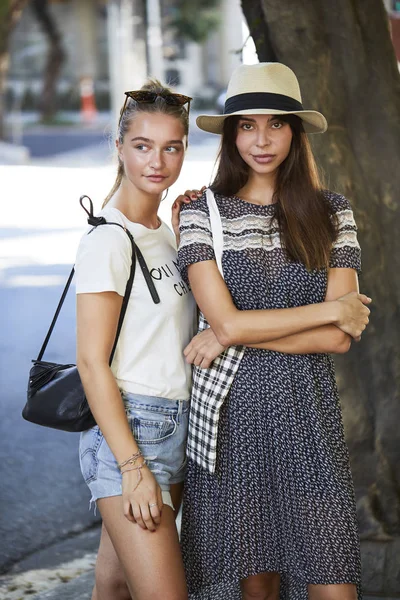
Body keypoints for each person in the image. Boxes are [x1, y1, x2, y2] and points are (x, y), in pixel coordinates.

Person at [177, 62, 370, 600]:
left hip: (309, 420)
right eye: (246, 125)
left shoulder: (333, 212)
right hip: (230, 422)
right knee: (252, 586)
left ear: (295, 131)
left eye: (276, 124)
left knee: (334, 584)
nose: (261, 140)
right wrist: (328, 310)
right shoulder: (202, 214)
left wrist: (234, 332)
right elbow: (228, 320)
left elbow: (338, 339)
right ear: (232, 134)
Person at [75, 80, 197, 600]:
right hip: (133, 431)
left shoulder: (166, 234)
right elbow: (89, 362)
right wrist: (133, 467)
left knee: (118, 579)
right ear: (120, 148)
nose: (158, 161)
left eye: (171, 147)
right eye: (143, 146)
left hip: (176, 425)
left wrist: (182, 232)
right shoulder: (108, 237)